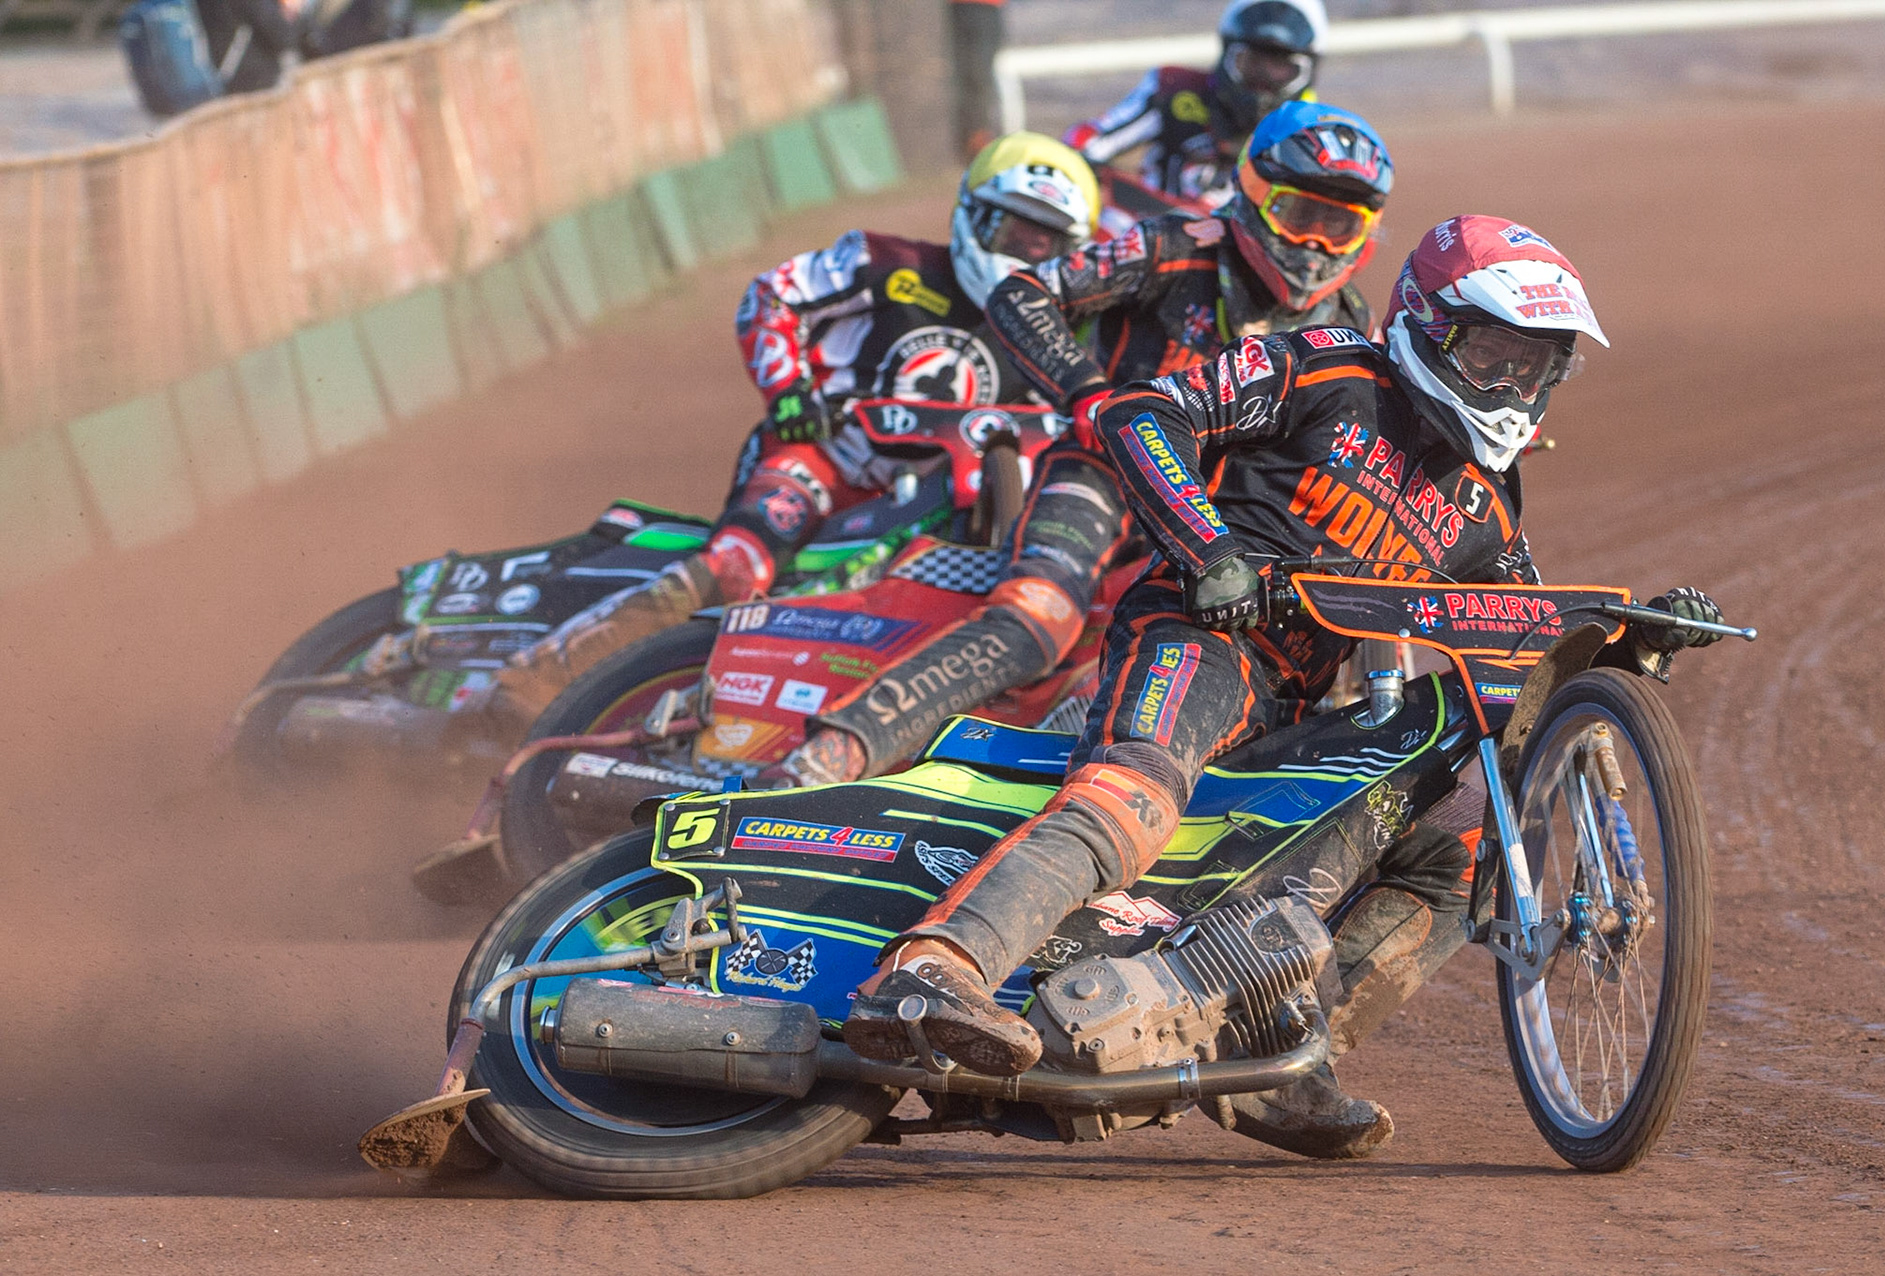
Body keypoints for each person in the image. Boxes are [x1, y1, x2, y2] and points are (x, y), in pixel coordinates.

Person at [839, 215, 1727, 1159]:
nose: (1514, 388)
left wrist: (1624, 643)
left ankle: (1284, 1056)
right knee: (1131, 798)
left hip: (1306, 706)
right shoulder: (1326, 365)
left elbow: (1519, 640)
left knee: (1459, 846)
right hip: (1197, 635)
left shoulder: (1488, 501)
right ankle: (934, 969)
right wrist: (1208, 546)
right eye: (1495, 354)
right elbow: (1141, 411)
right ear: (1428, 324)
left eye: (1537, 365)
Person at [772, 101, 1391, 788]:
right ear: (1251, 194)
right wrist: (1087, 391)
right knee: (1035, 622)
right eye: (1299, 214)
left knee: (1298, 665)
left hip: (1211, 525)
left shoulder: (1350, 322)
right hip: (1102, 472)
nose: (1314, 244)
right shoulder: (1169, 243)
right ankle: (825, 758)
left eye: (1341, 225)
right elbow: (1021, 294)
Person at [480, 133, 1101, 733]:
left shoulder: (1064, 339)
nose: (1026, 249)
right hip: (821, 461)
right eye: (1013, 229)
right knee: (737, 568)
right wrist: (791, 392)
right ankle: (533, 682)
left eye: (1046, 241)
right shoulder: (884, 263)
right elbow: (771, 297)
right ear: (972, 213)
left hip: (933, 503)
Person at [1064, 0, 1327, 210]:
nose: (1263, 83)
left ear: (1307, 73)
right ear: (1227, 53)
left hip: (1235, 260)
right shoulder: (1175, 91)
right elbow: (1088, 142)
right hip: (1144, 237)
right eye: (1252, 63)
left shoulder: (1309, 133)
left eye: (1281, 69)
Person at [950, 0, 1006, 158]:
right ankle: (975, 137)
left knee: (980, 76)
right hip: (961, 8)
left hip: (987, 8)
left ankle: (980, 135)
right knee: (971, 76)